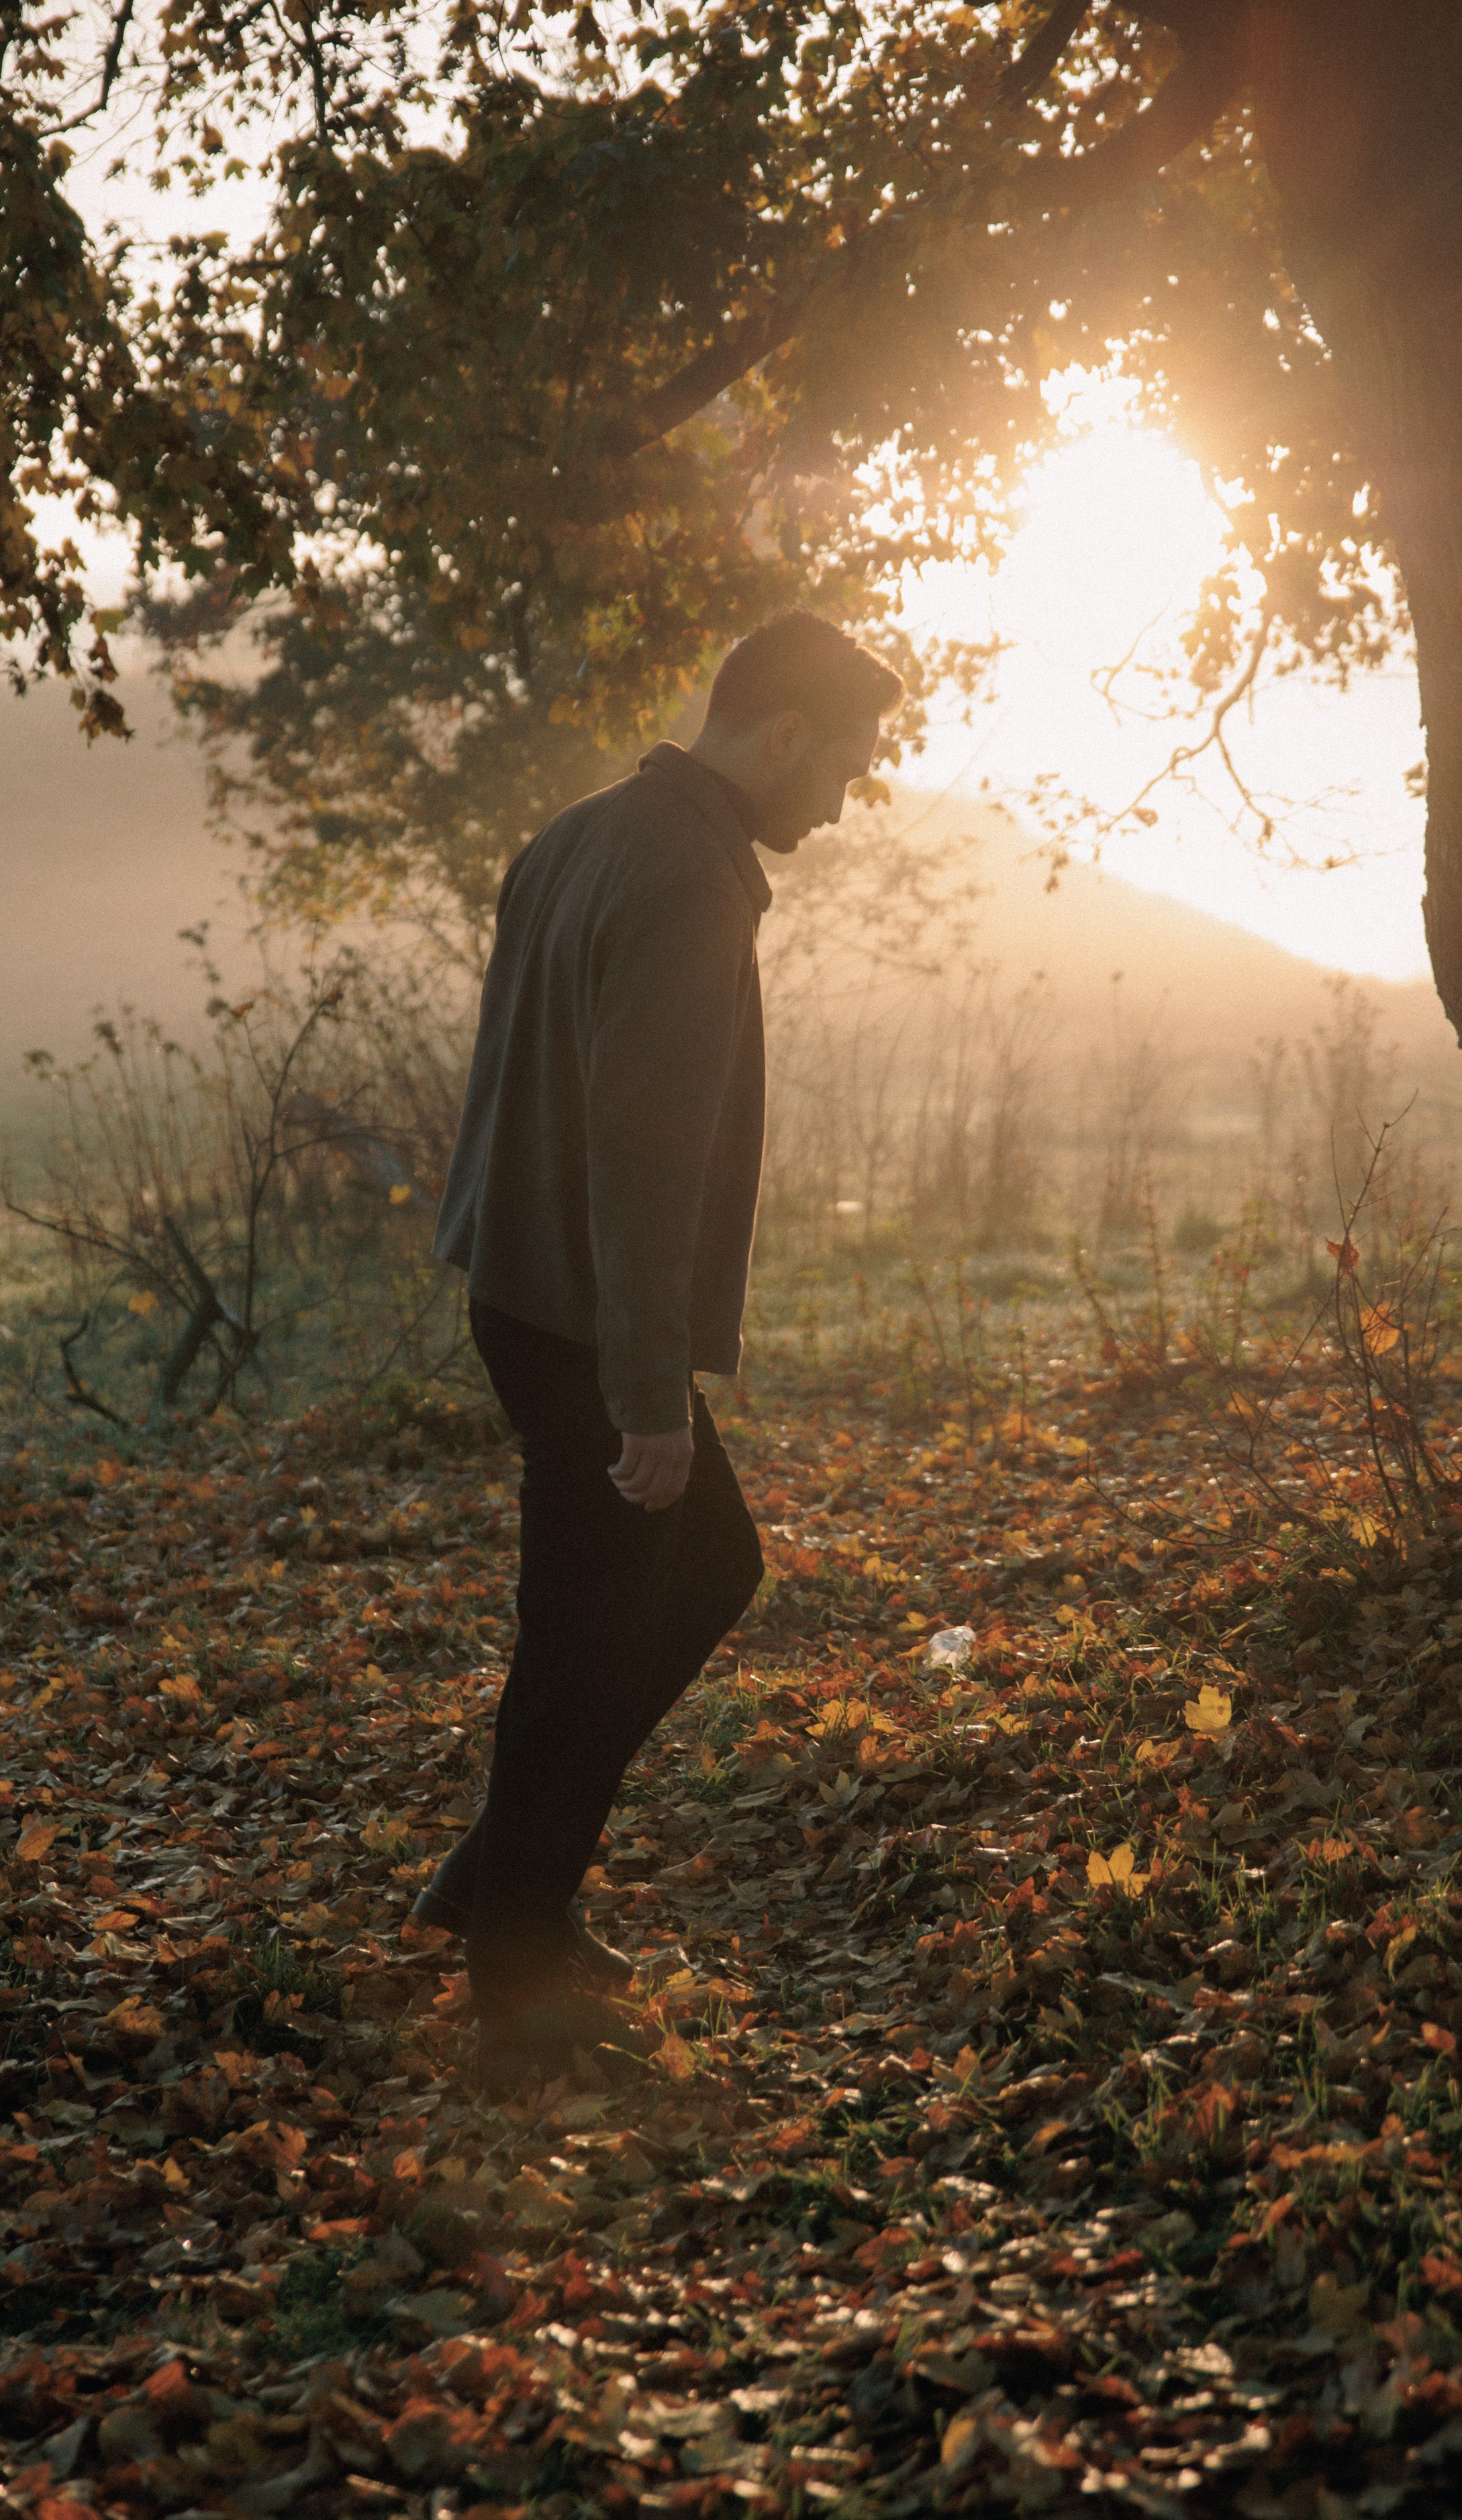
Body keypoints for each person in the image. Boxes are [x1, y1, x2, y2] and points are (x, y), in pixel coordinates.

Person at [422, 610, 904, 2096]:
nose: (839, 802)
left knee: (675, 1580)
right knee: (600, 1613)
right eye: (838, 767)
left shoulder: (578, 832)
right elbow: (646, 1165)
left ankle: (507, 1880)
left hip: (520, 1288)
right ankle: (516, 1968)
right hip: (582, 1316)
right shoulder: (693, 880)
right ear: (775, 737)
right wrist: (648, 1400)